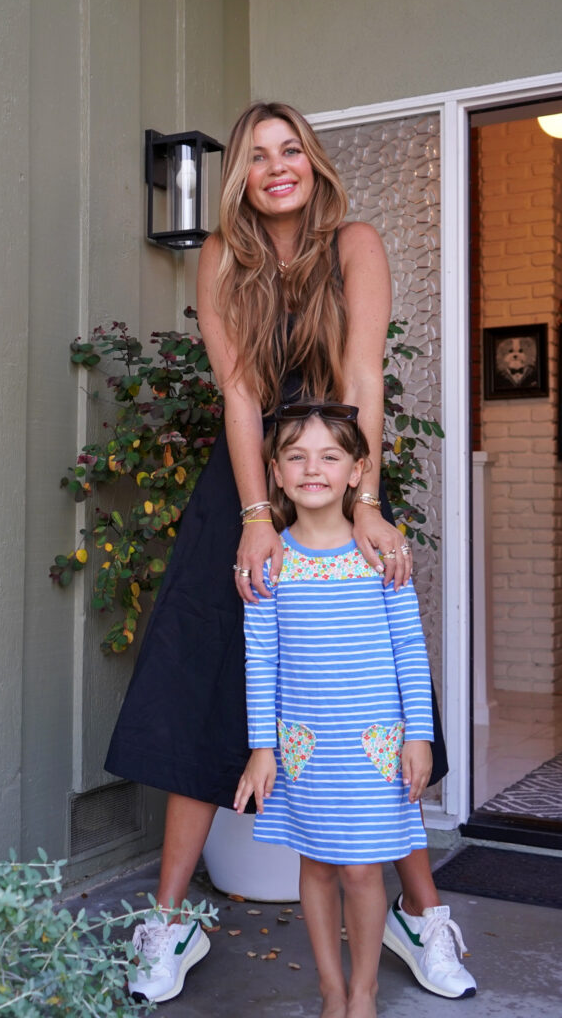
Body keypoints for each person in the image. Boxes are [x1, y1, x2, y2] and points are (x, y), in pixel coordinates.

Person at [105, 101, 475, 1004]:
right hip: (246, 491)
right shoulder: (223, 255)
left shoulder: (355, 243)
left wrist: (365, 504)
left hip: (336, 479)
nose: (277, 168)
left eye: (290, 151)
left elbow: (358, 380)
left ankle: (417, 916)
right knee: (199, 685)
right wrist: (254, 514)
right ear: (239, 175)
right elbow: (238, 396)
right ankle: (169, 923)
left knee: (369, 696)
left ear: (311, 162)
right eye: (258, 156)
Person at [234, 401, 438, 1018]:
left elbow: (410, 648)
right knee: (318, 865)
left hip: (374, 744)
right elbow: (260, 660)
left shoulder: (382, 554)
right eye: (296, 456)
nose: (312, 469)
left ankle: (365, 989)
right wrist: (262, 747)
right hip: (305, 745)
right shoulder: (270, 561)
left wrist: (419, 737)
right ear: (274, 471)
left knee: (361, 871)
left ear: (357, 472)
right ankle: (330, 989)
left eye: (330, 456)